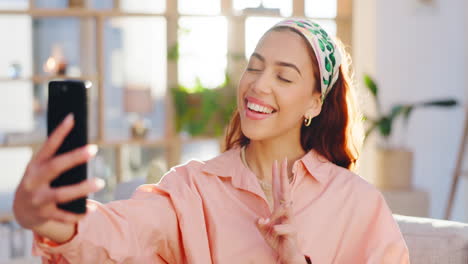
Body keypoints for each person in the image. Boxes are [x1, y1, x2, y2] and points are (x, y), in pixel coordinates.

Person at [13, 18, 410, 263]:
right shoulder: (193, 188)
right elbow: (123, 233)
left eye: (284, 77)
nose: (258, 84)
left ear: (314, 102)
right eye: (254, 68)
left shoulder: (358, 204)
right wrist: (47, 219)